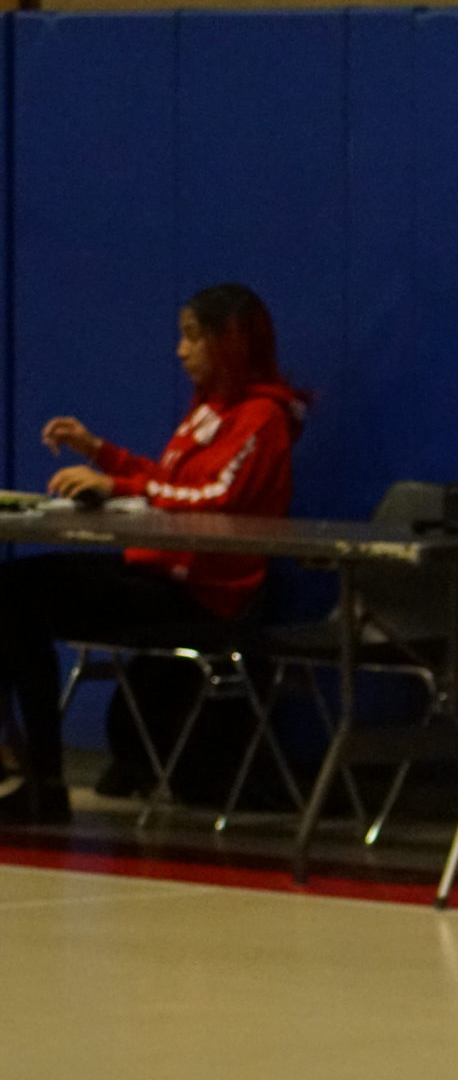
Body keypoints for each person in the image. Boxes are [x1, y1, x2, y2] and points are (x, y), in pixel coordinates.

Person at [0, 284, 303, 824]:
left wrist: (117, 486)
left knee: (19, 599)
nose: (180, 351)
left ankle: (44, 782)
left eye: (192, 337)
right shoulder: (207, 413)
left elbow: (216, 498)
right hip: (156, 570)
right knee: (11, 592)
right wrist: (100, 453)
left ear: (230, 340)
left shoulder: (263, 419)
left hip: (201, 595)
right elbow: (168, 481)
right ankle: (36, 772)